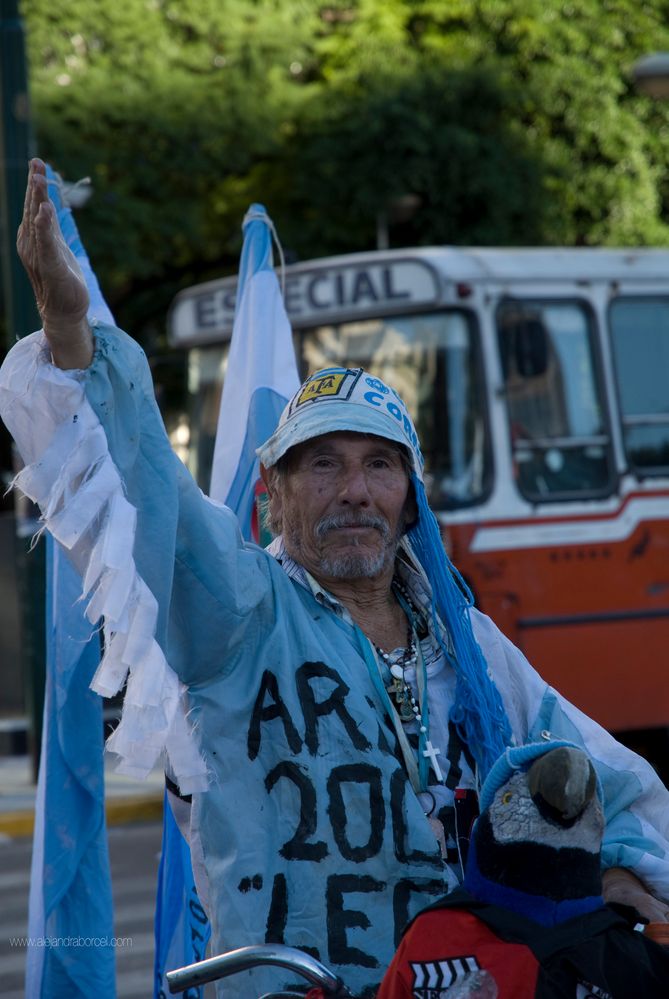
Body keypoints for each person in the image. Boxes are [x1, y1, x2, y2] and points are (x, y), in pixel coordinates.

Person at [2, 159, 669, 998]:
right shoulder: (238, 611)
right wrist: (72, 338)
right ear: (272, 493)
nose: (355, 490)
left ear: (409, 497)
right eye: (322, 464)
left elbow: (602, 778)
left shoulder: (466, 645)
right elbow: (149, 493)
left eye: (378, 466)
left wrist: (625, 874)